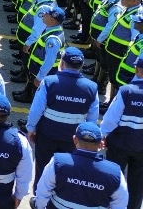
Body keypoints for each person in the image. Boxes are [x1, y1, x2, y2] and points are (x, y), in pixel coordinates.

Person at [26, 47, 99, 191]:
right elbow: (92, 119)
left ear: (62, 63)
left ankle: (38, 200)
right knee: (67, 171)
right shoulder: (92, 87)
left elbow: (36, 110)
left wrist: (31, 129)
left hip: (47, 135)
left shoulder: (49, 82)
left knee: (43, 168)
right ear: (82, 65)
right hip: (73, 139)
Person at [33, 122, 129, 209]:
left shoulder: (58, 162)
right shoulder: (115, 173)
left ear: (74, 139)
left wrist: (39, 206)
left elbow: (43, 191)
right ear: (101, 144)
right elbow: (120, 205)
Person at [100, 55, 143, 209]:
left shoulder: (126, 91)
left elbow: (111, 119)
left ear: (136, 69)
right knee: (137, 185)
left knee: (113, 179)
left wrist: (102, 135)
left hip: (119, 145)